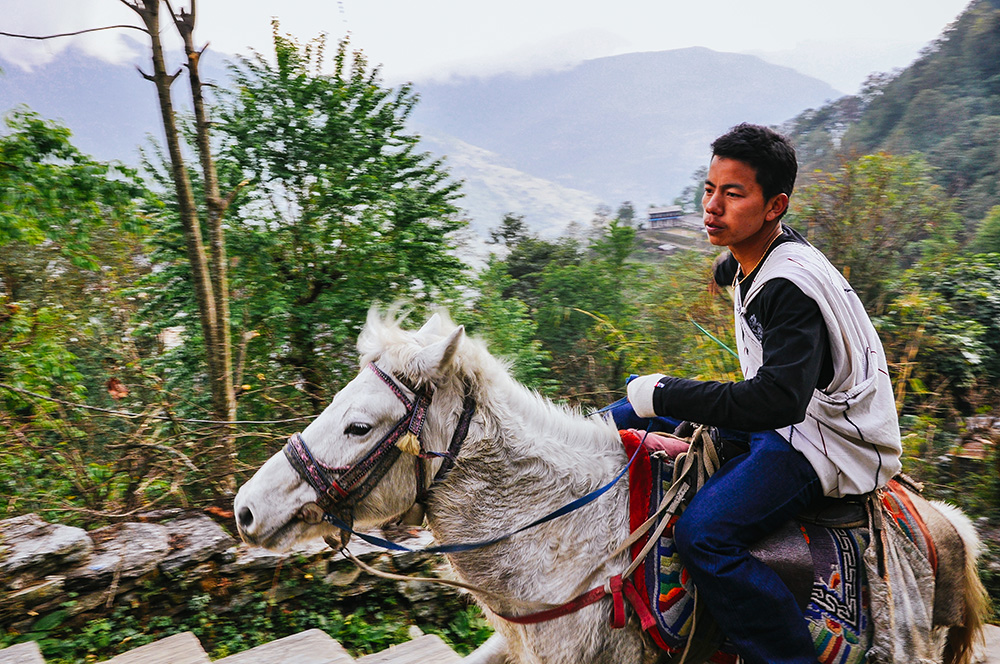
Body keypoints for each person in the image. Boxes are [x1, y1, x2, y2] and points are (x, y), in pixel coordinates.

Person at [613, 123, 902, 664]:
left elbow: (777, 403)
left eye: (733, 194)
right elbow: (746, 266)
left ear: (775, 206)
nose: (712, 207)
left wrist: (669, 394)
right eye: (709, 189)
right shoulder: (760, 253)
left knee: (704, 536)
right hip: (794, 420)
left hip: (823, 440)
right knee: (621, 416)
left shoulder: (787, 289)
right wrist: (729, 267)